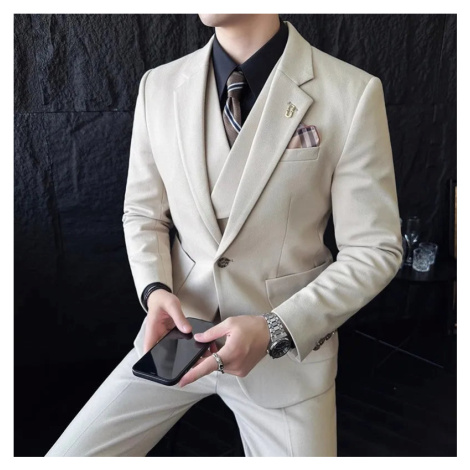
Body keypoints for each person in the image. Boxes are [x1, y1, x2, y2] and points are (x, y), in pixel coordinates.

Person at [45, 14, 403, 457]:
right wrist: (154, 290)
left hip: (284, 354)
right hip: (177, 336)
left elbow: (374, 248)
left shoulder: (350, 91)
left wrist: (274, 329)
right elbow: (143, 212)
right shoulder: (159, 86)